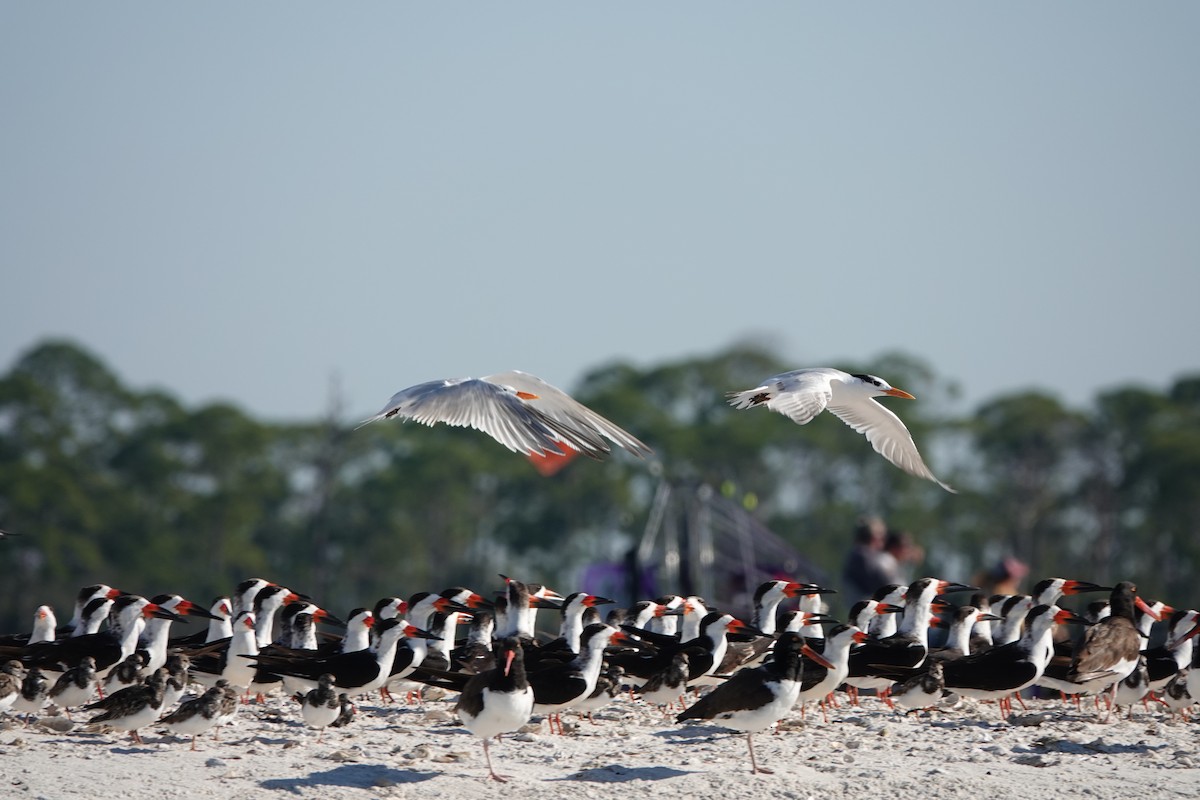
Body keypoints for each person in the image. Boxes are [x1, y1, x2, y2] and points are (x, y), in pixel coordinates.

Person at [842, 516, 897, 600]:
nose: (884, 541)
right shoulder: (862, 555)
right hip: (865, 601)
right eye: (881, 536)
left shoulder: (862, 554)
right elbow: (878, 582)